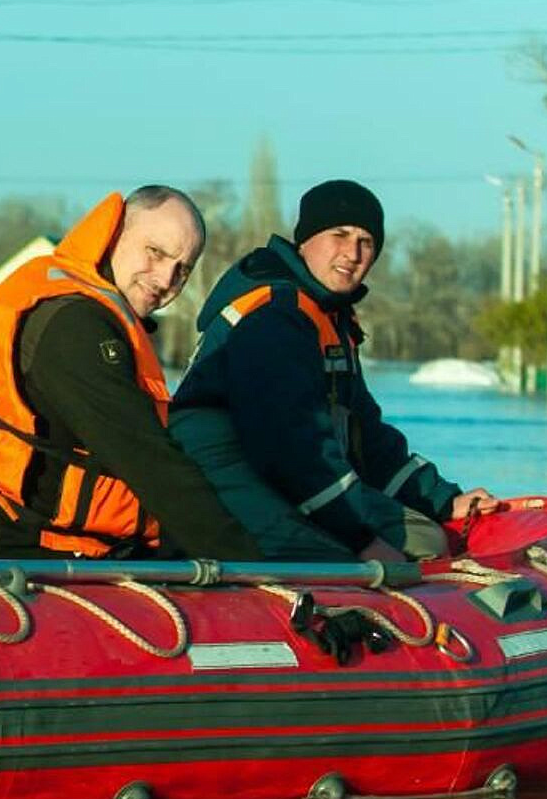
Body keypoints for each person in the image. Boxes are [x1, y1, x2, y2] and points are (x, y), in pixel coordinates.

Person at [0, 187, 263, 561]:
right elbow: (148, 461)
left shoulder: (99, 314)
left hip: (44, 538)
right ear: (114, 234)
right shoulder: (74, 324)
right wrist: (249, 569)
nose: (166, 279)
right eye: (156, 253)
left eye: (182, 269)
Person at [170, 180, 497, 561]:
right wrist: (361, 542)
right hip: (222, 476)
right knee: (413, 546)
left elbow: (365, 435)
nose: (353, 253)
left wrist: (444, 500)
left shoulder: (327, 318)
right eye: (339, 235)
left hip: (273, 475)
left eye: (366, 242)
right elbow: (289, 448)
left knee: (428, 537)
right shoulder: (274, 318)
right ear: (305, 240)